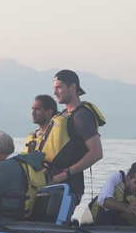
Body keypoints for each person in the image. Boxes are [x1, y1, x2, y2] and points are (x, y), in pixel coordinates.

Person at [44, 70, 106, 211]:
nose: (55, 92)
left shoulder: (81, 116)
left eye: (59, 87)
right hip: (53, 184)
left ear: (72, 87)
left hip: (67, 188)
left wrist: (65, 174)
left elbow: (96, 153)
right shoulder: (64, 115)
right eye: (54, 88)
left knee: (55, 228)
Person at [91, 162, 136, 231]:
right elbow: (102, 199)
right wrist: (127, 207)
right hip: (104, 220)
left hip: (129, 227)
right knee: (104, 208)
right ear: (128, 179)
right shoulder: (117, 177)